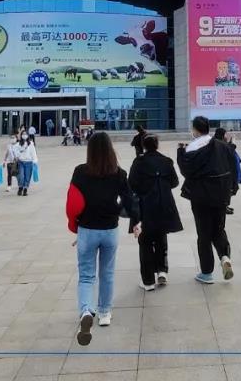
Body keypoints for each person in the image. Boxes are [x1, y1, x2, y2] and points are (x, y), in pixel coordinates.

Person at [65, 131, 137, 345]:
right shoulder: (119, 173)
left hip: (87, 229)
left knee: (86, 276)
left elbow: (72, 203)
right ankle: (105, 313)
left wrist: (75, 227)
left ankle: (87, 311)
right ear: (110, 149)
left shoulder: (80, 172)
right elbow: (129, 201)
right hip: (109, 230)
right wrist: (136, 222)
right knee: (107, 273)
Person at [177, 116, 236, 284]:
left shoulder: (192, 148)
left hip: (201, 197)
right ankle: (224, 256)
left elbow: (186, 170)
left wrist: (180, 152)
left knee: (204, 234)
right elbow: (232, 167)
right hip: (221, 195)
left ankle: (207, 273)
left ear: (195, 130)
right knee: (219, 228)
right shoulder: (222, 146)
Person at [127, 134, 183, 290]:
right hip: (164, 205)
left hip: (145, 207)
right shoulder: (166, 161)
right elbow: (174, 182)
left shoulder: (139, 162)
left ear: (144, 146)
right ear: (157, 145)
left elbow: (131, 184)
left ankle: (148, 281)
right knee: (161, 237)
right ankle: (162, 271)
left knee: (145, 241)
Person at [213, 128, 241, 214]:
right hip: (224, 173)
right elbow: (229, 150)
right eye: (225, 134)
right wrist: (233, 143)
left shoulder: (220, 142)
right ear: (222, 134)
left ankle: (225, 206)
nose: (227, 135)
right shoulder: (218, 143)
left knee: (230, 190)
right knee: (227, 190)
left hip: (228, 172)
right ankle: (223, 207)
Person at [14, 132, 39, 196]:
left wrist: (35, 161)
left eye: (25, 134)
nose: (24, 135)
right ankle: (20, 187)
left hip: (29, 162)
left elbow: (33, 153)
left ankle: (25, 189)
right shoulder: (18, 144)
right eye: (23, 134)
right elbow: (15, 151)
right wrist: (17, 155)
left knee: (27, 177)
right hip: (21, 162)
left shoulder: (31, 144)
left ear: (28, 135)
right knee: (21, 176)